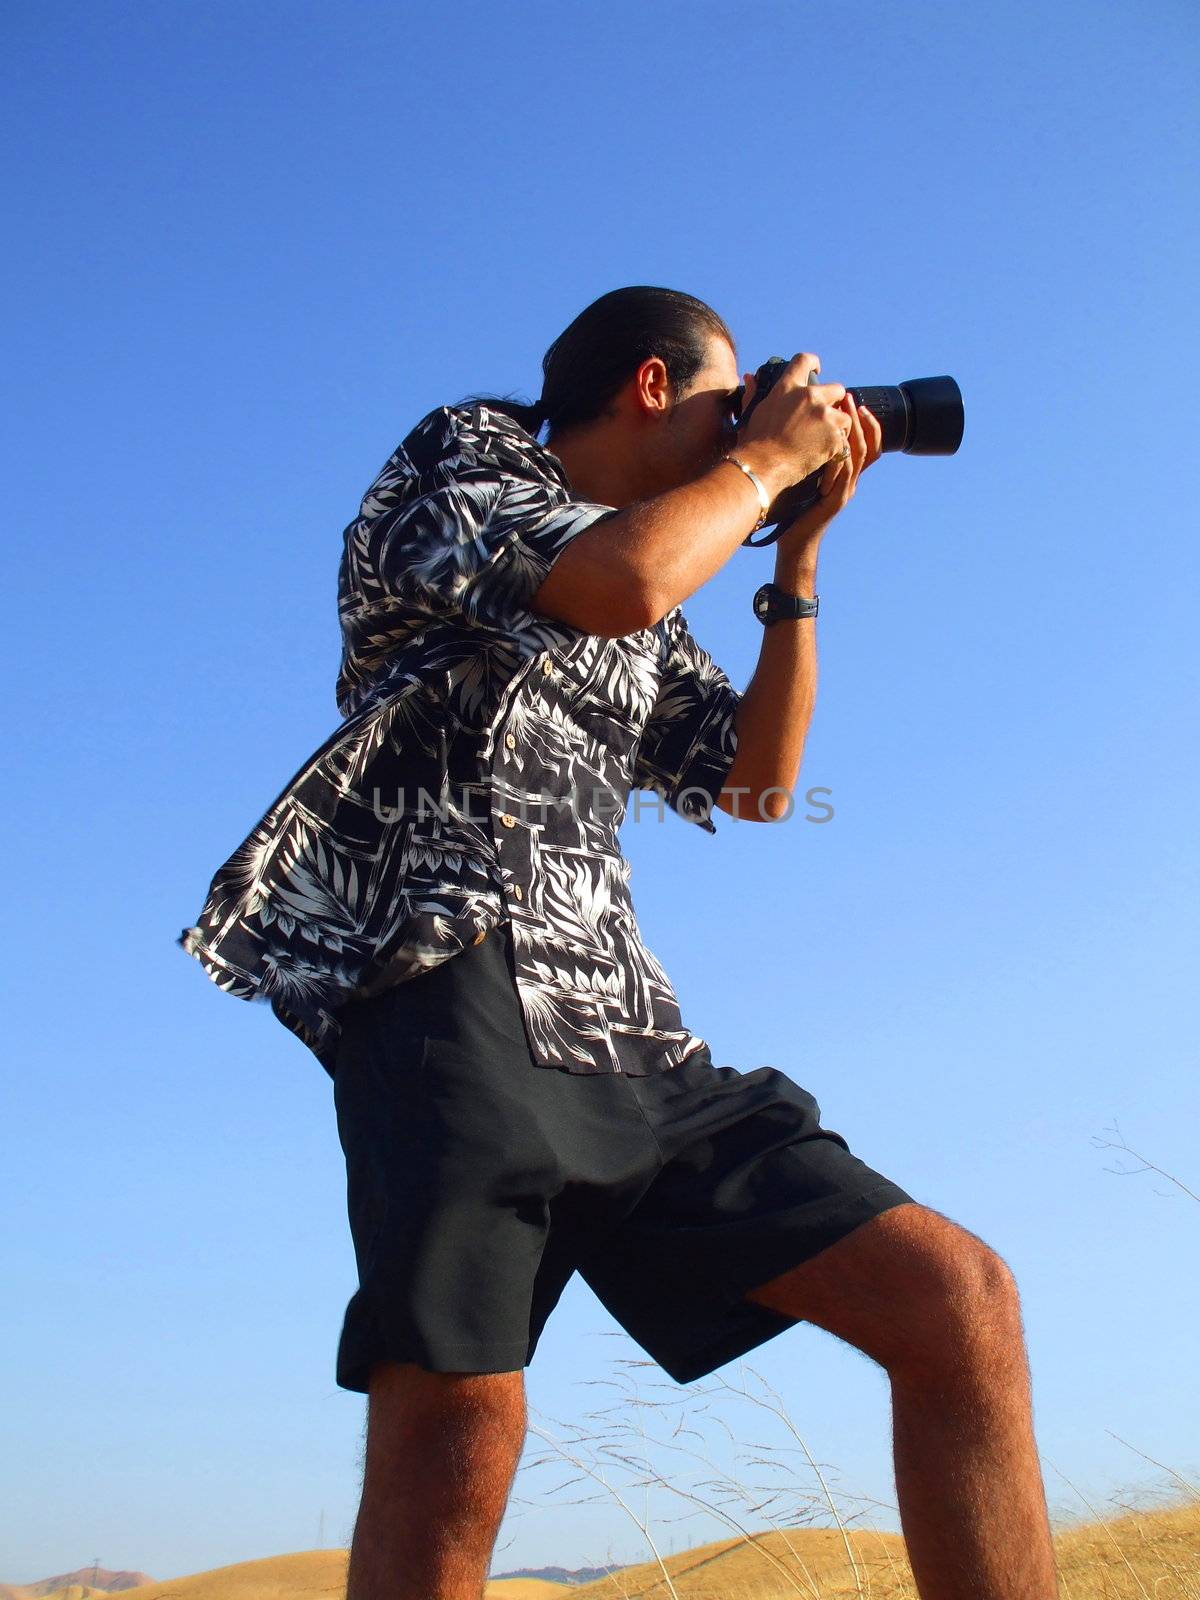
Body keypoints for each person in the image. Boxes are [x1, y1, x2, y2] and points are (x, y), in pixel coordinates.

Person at [176, 286, 1059, 1600]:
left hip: (621, 1027)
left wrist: (796, 562)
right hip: (444, 984)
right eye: (729, 396)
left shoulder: (668, 581)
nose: (748, 424)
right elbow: (620, 579)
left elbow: (757, 785)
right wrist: (767, 458)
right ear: (651, 385)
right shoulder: (468, 461)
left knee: (958, 1299)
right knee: (457, 1426)